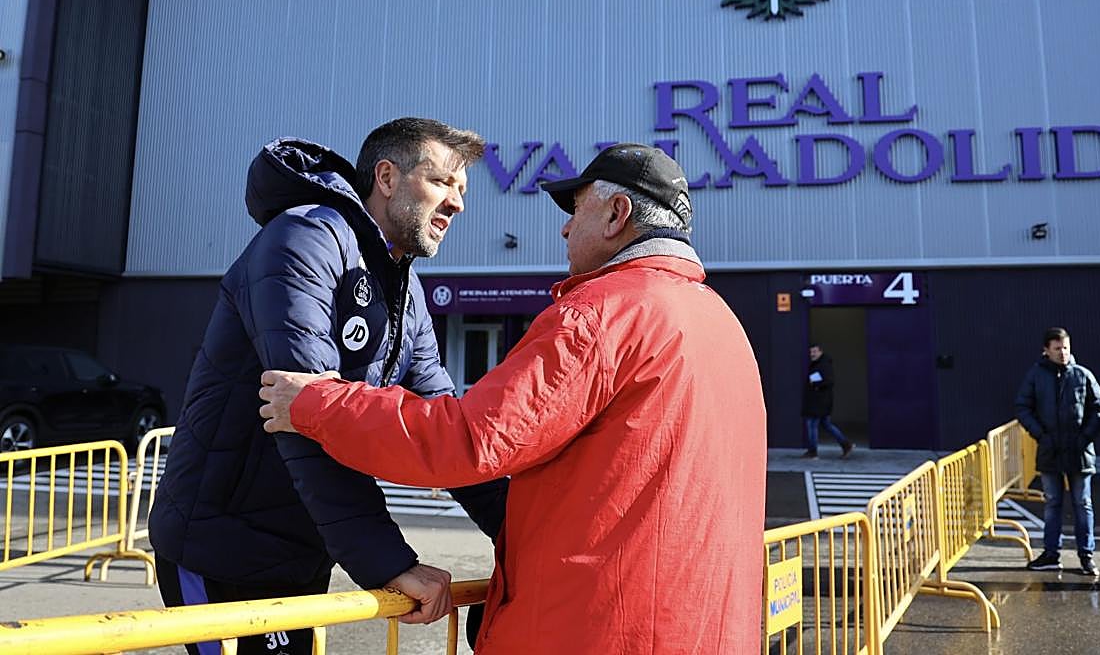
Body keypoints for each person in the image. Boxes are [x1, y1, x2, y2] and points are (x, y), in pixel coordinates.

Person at [258, 143, 768, 654]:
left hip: (598, 630)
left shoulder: (604, 313)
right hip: (704, 628)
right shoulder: (720, 323)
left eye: (576, 210)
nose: (565, 229)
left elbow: (472, 439)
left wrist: (316, 404)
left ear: (617, 214)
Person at [149, 119, 507, 655]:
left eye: (462, 190)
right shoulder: (304, 237)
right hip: (220, 543)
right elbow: (304, 421)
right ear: (386, 177)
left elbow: (447, 427)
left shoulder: (403, 287)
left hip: (301, 548)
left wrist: (526, 534)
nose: (457, 203)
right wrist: (389, 562)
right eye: (441, 182)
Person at [1014, 327, 1100, 576]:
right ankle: (1051, 554)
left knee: (1083, 504)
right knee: (1052, 503)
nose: (1063, 353)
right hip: (1050, 451)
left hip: (1079, 452)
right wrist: (1041, 435)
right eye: (1057, 348)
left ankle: (1086, 556)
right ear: (1046, 350)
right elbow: (1022, 407)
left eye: (1065, 347)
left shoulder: (1082, 375)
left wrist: (1084, 438)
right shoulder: (1036, 375)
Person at [801, 343, 854, 458]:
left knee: (812, 425)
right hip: (820, 402)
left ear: (820, 352)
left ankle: (812, 452)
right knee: (826, 425)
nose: (812, 354)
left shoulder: (823, 365)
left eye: (814, 352)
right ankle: (846, 444)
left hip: (818, 402)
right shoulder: (819, 364)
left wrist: (815, 385)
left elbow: (829, 381)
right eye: (811, 352)